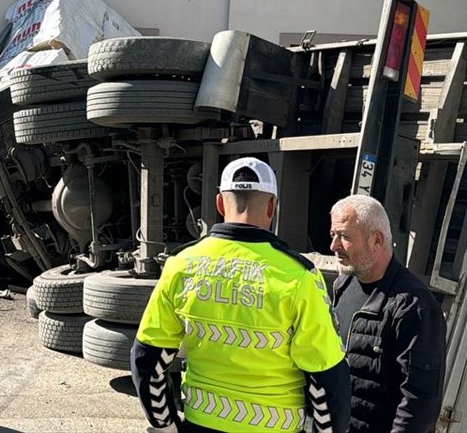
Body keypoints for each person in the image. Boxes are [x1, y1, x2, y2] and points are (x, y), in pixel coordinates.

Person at [132, 157, 351, 433]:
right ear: (272, 206)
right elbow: (327, 377)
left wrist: (165, 426)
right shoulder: (299, 276)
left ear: (220, 204)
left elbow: (147, 357)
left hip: (201, 424)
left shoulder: (181, 265)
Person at [329, 195, 445, 433]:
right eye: (333, 235)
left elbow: (419, 405)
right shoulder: (343, 285)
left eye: (344, 237)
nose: (334, 246)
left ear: (377, 240)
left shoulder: (414, 306)